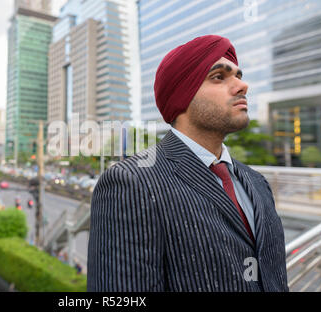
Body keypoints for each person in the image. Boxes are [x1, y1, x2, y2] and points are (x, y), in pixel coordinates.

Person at [87, 35, 288, 292]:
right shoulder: (131, 182)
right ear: (182, 95)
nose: (242, 85)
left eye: (238, 75)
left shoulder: (256, 182)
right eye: (219, 77)